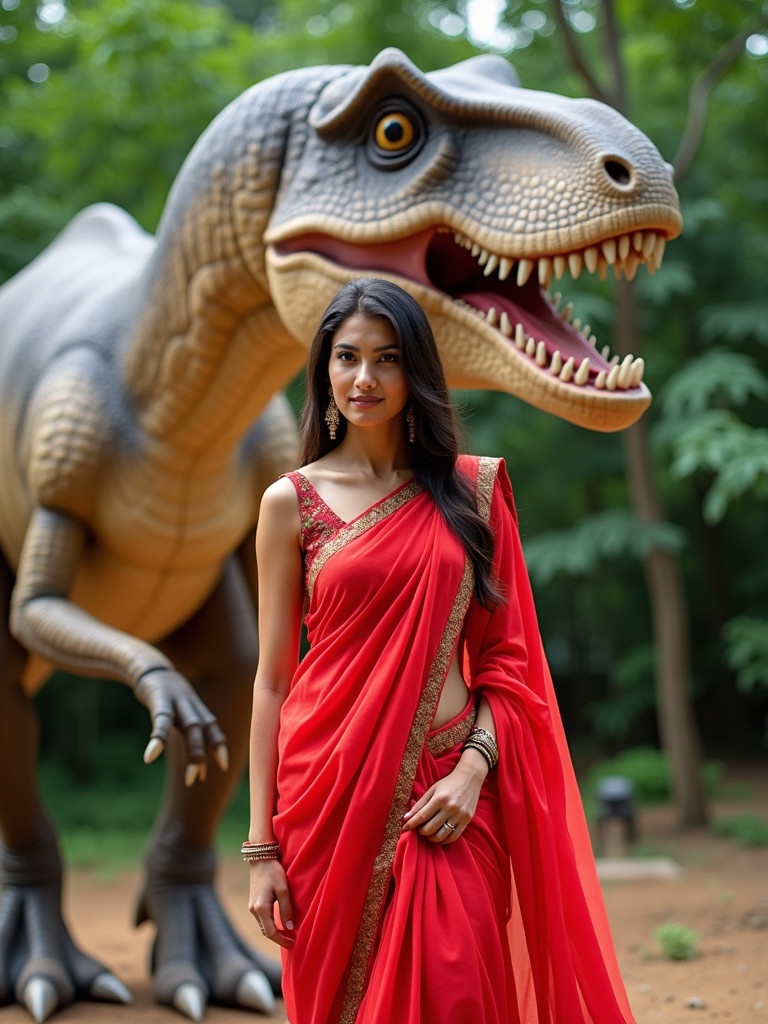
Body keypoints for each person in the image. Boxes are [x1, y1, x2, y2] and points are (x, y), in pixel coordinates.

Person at [245, 277, 636, 1024]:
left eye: (387, 359)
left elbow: (510, 666)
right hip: (326, 797)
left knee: (460, 990)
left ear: (415, 370)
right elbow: (271, 682)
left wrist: (473, 768)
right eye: (348, 357)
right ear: (324, 369)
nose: (365, 378)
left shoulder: (473, 493)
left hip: (448, 795)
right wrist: (261, 849)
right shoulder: (289, 503)